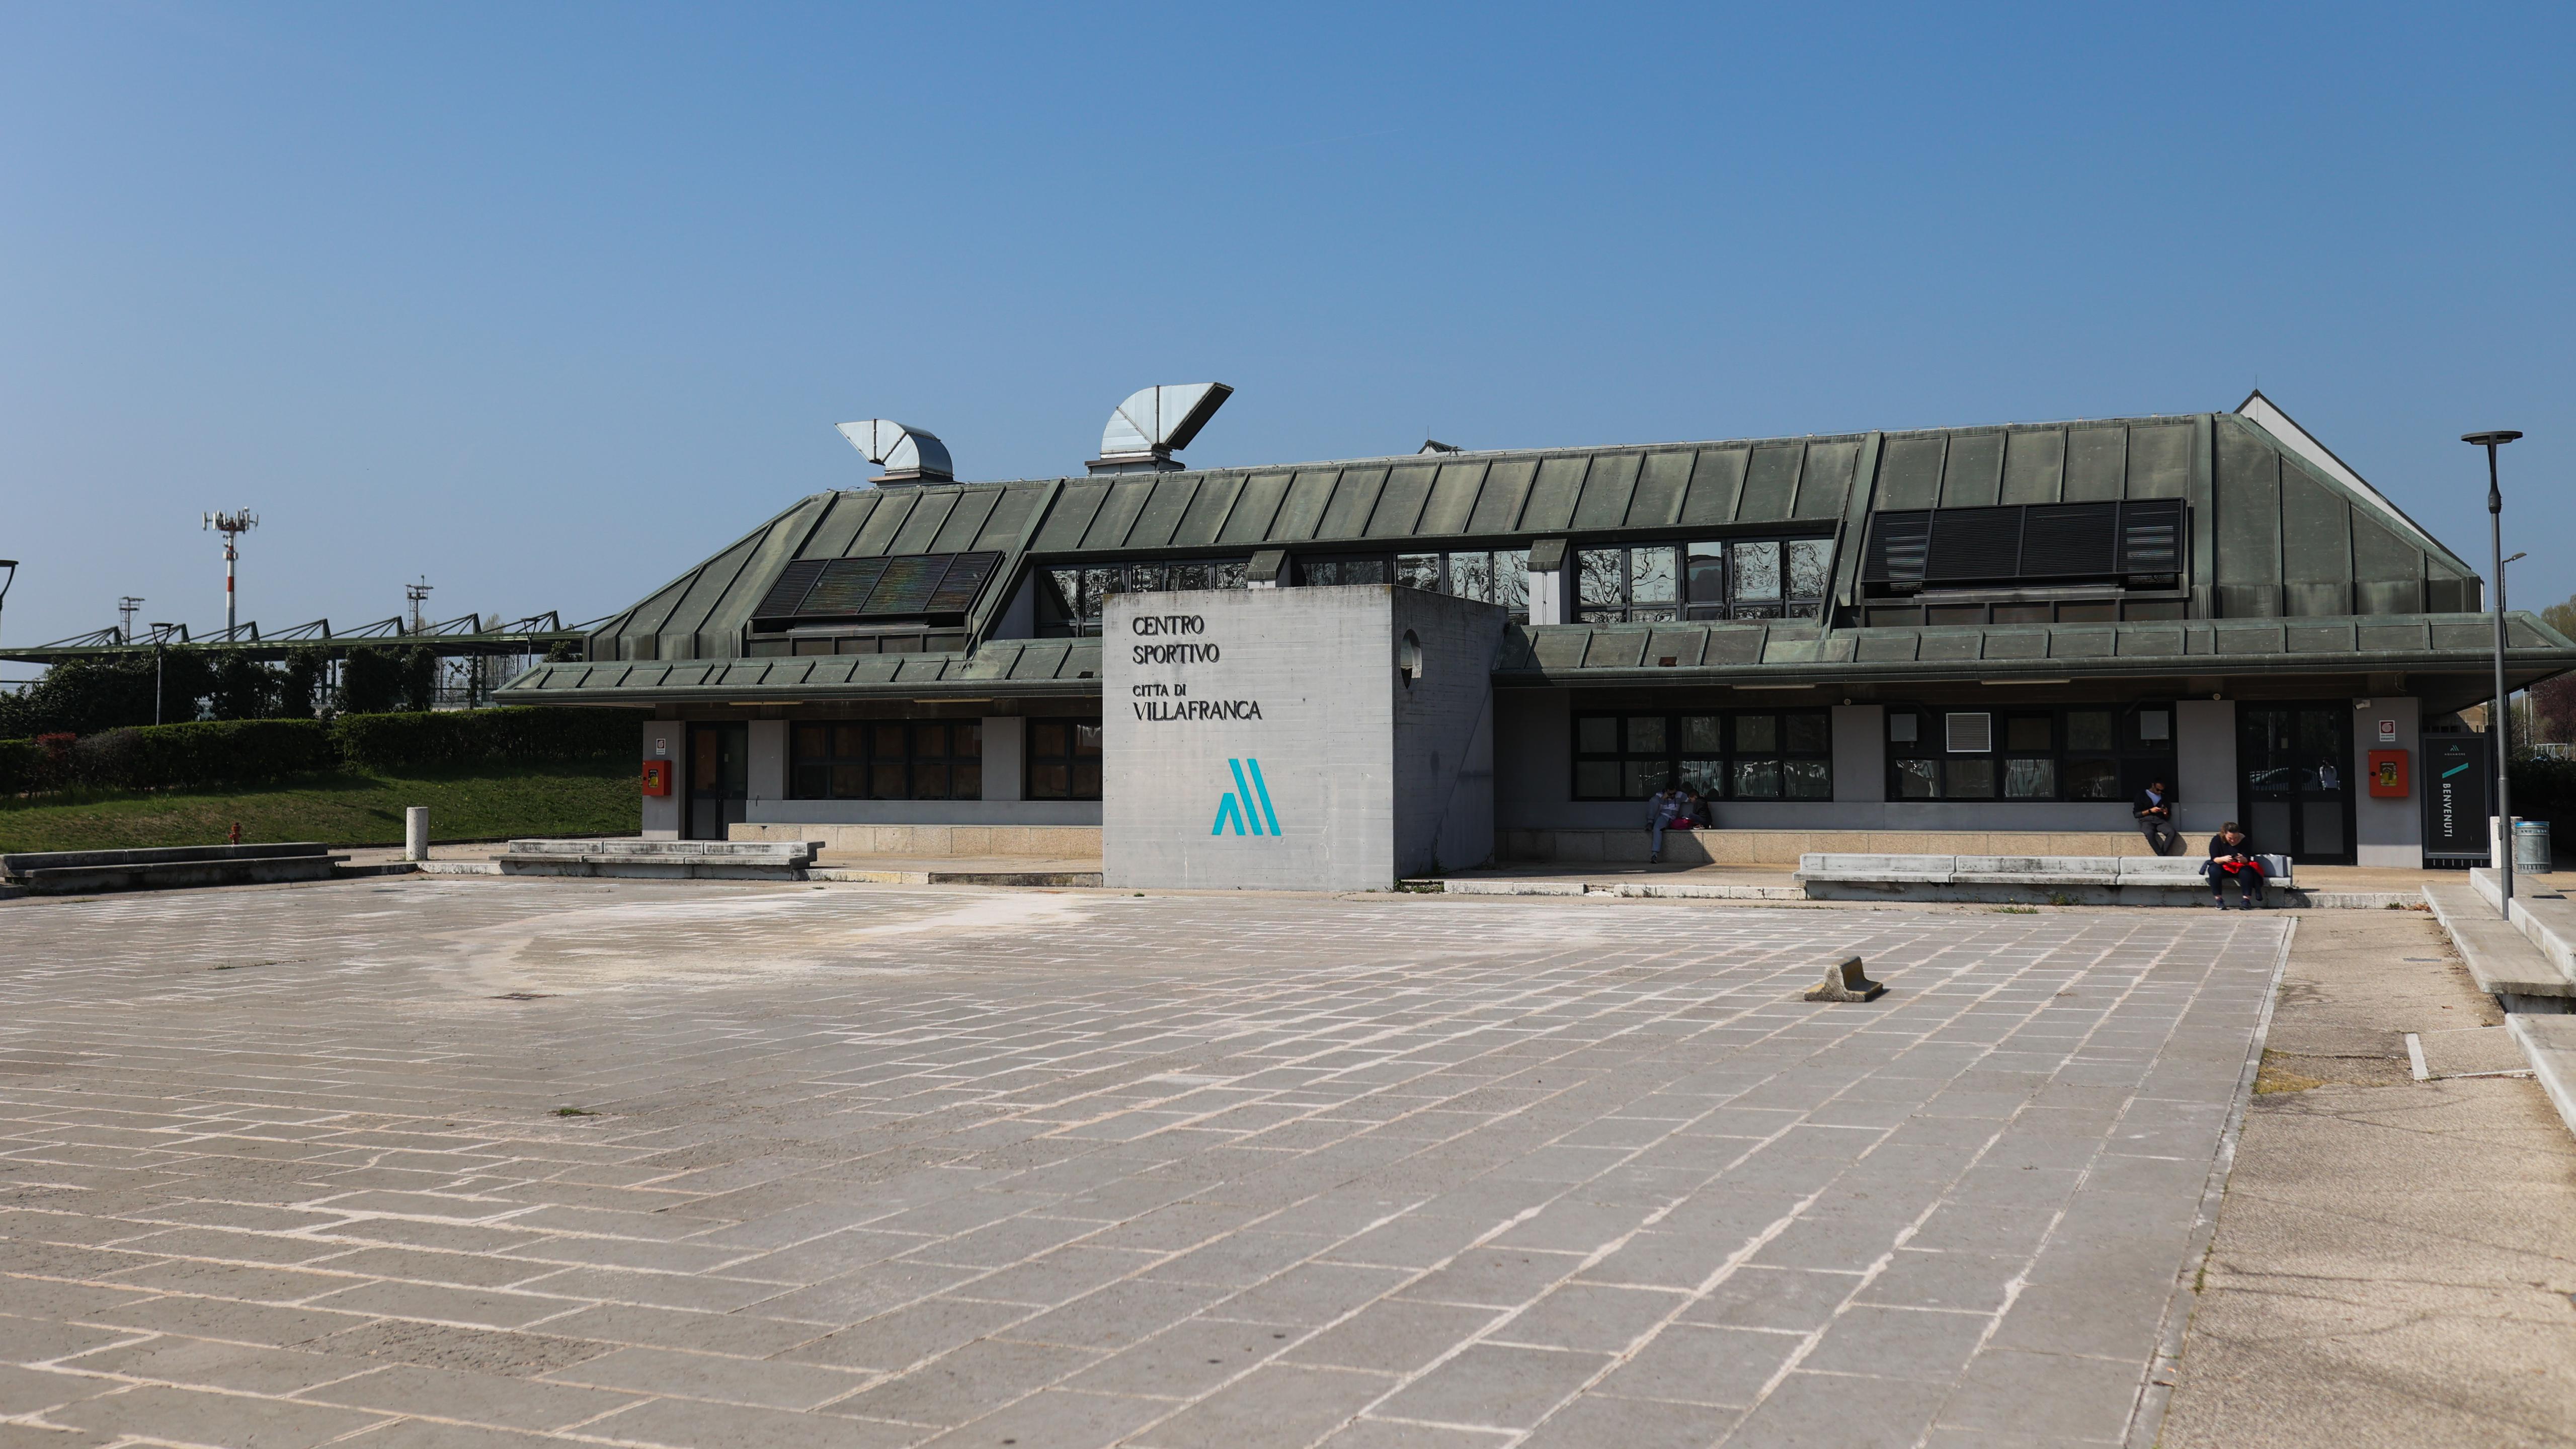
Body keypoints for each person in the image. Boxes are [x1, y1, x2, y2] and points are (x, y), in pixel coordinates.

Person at [2204, 821, 2266, 909]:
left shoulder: (2245, 840)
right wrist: (2224, 859)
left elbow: (2247, 859)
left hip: (2239, 867)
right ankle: (2219, 900)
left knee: (2247, 871)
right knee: (2213, 870)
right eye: (2230, 838)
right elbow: (2214, 859)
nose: (2233, 840)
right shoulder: (2217, 840)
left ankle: (2246, 900)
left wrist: (2242, 859)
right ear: (2225, 834)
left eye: (2236, 838)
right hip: (2223, 867)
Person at [2132, 778, 2179, 855]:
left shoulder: (2164, 797)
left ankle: (2162, 855)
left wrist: (2165, 813)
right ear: (2153, 785)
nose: (2159, 792)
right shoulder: (2142, 795)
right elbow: (2136, 814)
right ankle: (2161, 855)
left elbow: (2168, 817)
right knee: (2149, 833)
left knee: (2171, 832)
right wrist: (2150, 811)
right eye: (2158, 790)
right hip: (2146, 821)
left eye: (2162, 790)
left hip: (2160, 821)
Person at [1645, 785, 1688, 864]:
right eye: (1670, 794)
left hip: (1671, 818)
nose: (1672, 796)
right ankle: (1650, 822)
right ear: (1666, 792)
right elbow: (1657, 810)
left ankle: (1655, 854)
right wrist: (1663, 800)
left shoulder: (1680, 795)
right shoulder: (1659, 796)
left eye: (1674, 794)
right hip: (1661, 816)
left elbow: (1690, 798)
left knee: (1658, 828)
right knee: (1653, 801)